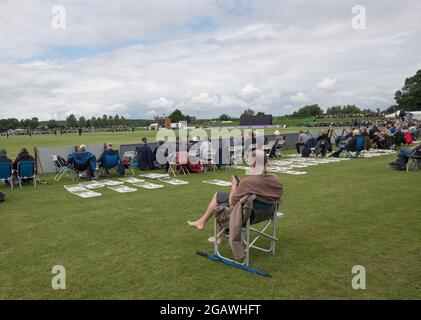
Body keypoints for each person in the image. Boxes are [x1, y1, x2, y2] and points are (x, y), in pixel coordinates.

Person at [187, 150, 283, 247]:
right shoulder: (275, 179)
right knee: (219, 195)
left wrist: (234, 185)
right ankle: (202, 222)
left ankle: (216, 236)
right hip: (268, 212)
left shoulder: (248, 182)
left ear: (253, 163)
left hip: (249, 215)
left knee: (221, 206)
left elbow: (232, 204)